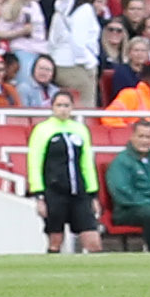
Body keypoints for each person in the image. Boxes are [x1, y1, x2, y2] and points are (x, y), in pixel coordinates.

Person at [27, 87, 103, 253]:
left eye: (66, 105)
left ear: (72, 108)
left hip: (79, 193)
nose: (63, 109)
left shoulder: (80, 129)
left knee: (92, 240)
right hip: (54, 192)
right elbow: (35, 162)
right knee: (55, 240)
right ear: (52, 107)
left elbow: (87, 164)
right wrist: (39, 194)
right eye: (59, 105)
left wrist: (93, 193)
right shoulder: (42, 130)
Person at [104, 117, 150, 245]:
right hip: (127, 210)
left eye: (148, 137)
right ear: (132, 136)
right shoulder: (121, 162)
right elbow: (122, 193)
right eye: (141, 136)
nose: (144, 141)